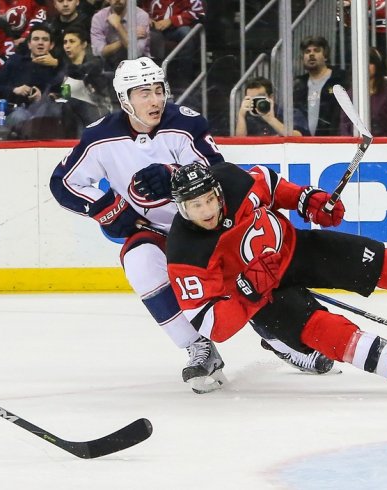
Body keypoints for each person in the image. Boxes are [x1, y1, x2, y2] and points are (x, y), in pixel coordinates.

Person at [50, 57, 299, 394]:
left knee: (244, 276)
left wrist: (172, 174)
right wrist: (109, 208)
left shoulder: (185, 124)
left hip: (201, 225)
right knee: (138, 262)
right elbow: (64, 182)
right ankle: (198, 346)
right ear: (125, 100)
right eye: (143, 93)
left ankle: (278, 336)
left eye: (158, 91)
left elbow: (216, 174)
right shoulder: (100, 137)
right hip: (151, 230)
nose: (154, 100)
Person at [164, 162, 387, 396]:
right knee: (335, 336)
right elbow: (214, 327)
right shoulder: (185, 253)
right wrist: (248, 291)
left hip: (295, 249)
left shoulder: (232, 180)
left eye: (210, 200)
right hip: (263, 298)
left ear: (218, 192)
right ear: (181, 208)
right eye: (196, 206)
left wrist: (307, 200)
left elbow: (275, 188)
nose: (207, 210)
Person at [0, 25, 64, 138]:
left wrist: (41, 97)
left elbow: (60, 97)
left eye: (45, 40)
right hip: (0, 109)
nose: (40, 43)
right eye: (36, 39)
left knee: (19, 116)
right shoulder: (15, 61)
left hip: (29, 113)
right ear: (29, 44)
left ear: (51, 45)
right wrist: (14, 90)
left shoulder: (56, 68)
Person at [56, 27, 111, 134]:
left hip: (97, 115)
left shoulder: (95, 64)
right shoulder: (65, 71)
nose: (67, 46)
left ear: (84, 44)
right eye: (65, 42)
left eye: (72, 41)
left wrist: (57, 64)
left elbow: (79, 73)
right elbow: (66, 95)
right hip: (74, 117)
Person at [339, 47, 387, 136]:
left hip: (383, 147)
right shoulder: (349, 95)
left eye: (370, 62)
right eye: (362, 63)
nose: (365, 66)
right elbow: (344, 127)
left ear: (377, 66)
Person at [293, 35, 347, 137]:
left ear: (325, 56)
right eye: (307, 52)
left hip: (335, 144)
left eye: (316, 50)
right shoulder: (299, 85)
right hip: (305, 146)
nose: (311, 55)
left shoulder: (341, 79)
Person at [235, 76, 309, 137]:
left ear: (271, 97)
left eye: (259, 98)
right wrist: (241, 116)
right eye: (251, 99)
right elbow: (239, 143)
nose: (256, 102)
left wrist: (271, 119)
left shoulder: (289, 113)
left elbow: (299, 136)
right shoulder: (248, 116)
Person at [90, 0, 150, 70]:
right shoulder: (98, 17)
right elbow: (100, 52)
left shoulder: (140, 16)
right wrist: (130, 36)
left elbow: (136, 52)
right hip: (109, 64)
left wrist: (118, 25)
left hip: (138, 65)